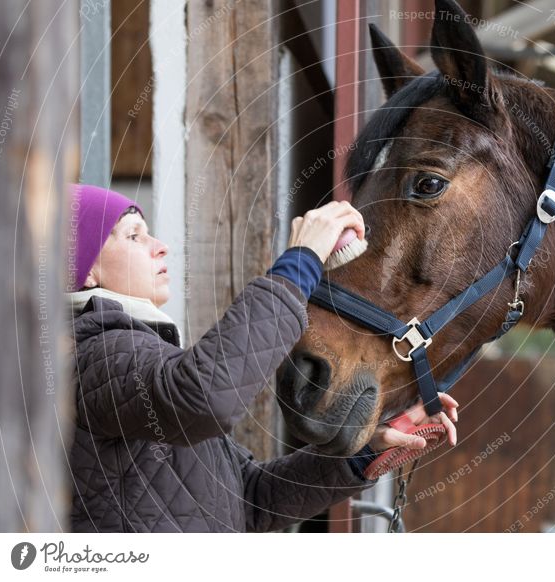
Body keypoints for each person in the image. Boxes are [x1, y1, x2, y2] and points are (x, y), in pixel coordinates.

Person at [66, 184, 458, 533]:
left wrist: (363, 454)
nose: (158, 245)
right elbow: (205, 397)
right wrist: (299, 263)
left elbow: (250, 498)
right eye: (134, 236)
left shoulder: (139, 354)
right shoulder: (93, 353)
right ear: (85, 272)